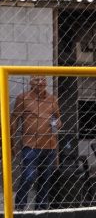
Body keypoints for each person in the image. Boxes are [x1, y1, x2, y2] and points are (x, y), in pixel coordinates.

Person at [12, 76, 60, 210]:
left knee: (45, 179)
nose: (40, 82)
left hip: (49, 146)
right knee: (29, 177)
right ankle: (20, 208)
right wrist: (11, 140)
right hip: (30, 145)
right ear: (30, 83)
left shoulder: (53, 100)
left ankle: (41, 210)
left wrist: (57, 124)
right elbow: (14, 119)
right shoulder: (23, 98)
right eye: (37, 79)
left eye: (43, 79)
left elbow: (58, 119)